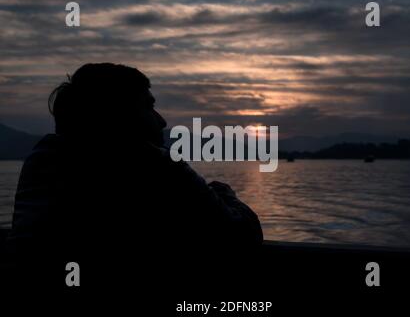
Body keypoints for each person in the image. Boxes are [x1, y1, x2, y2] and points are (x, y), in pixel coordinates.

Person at [6, 63, 263, 268]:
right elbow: (243, 236)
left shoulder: (42, 160)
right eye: (148, 107)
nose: (161, 121)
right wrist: (227, 195)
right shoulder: (152, 163)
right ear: (118, 115)